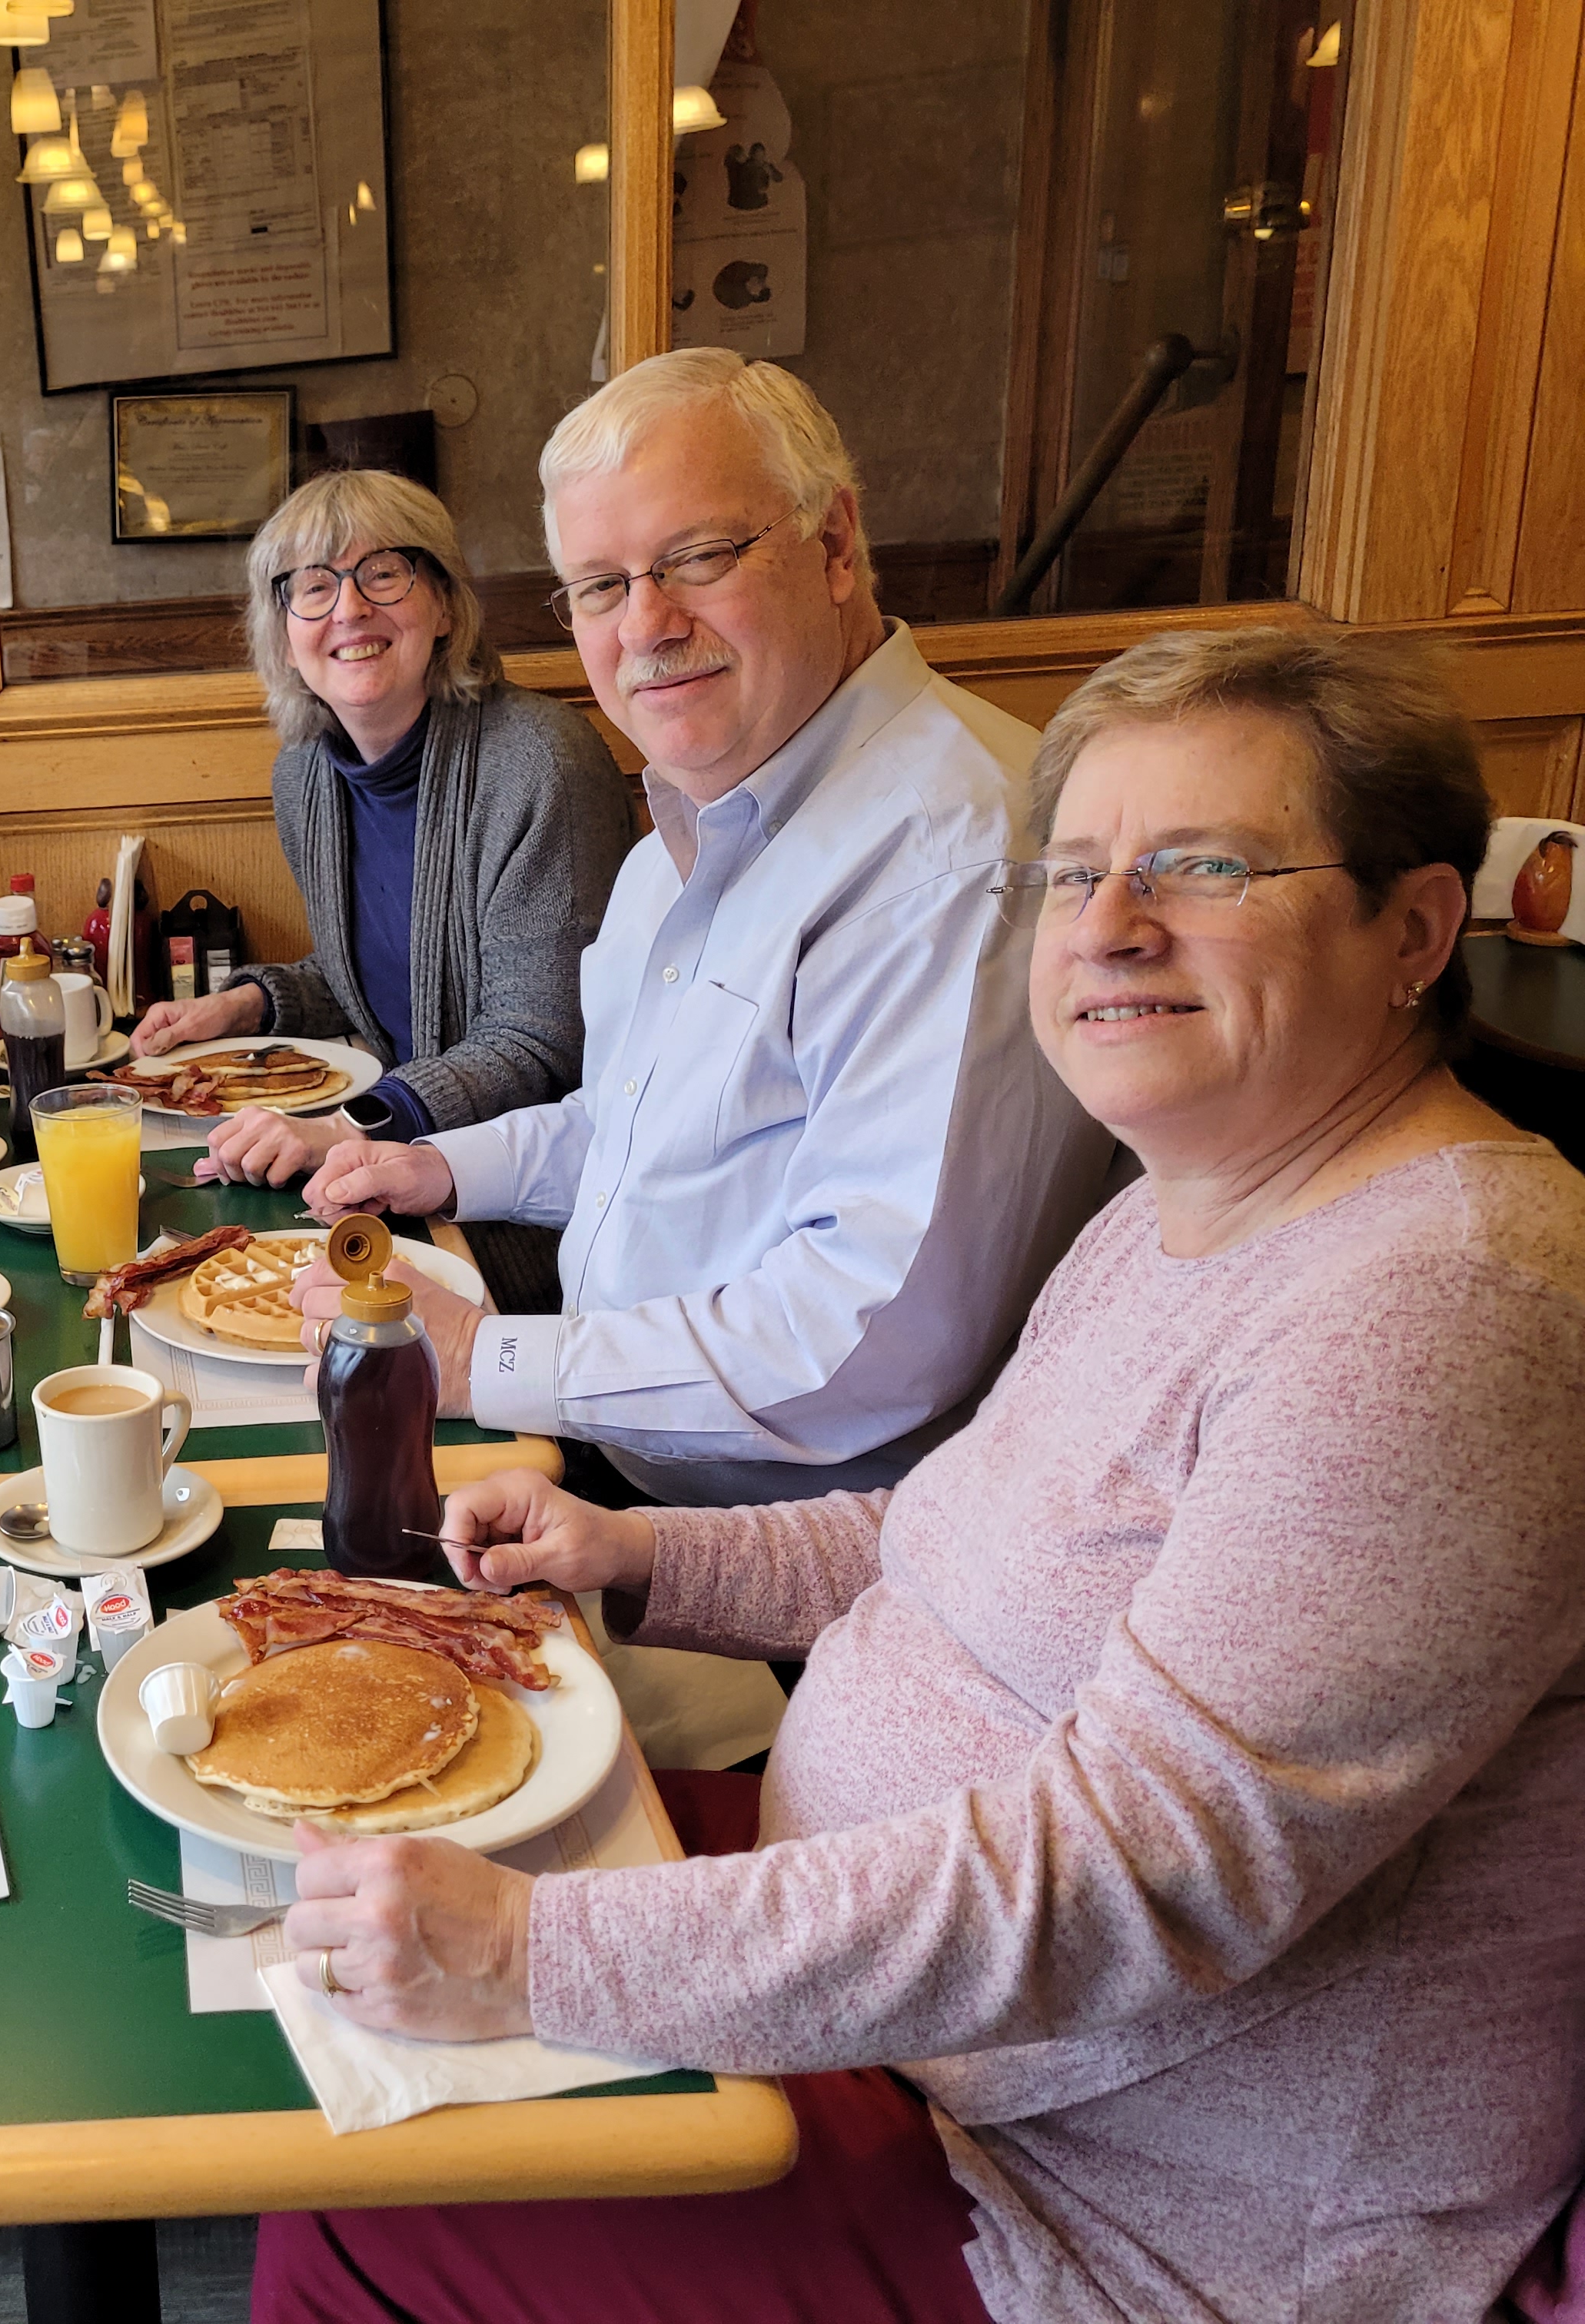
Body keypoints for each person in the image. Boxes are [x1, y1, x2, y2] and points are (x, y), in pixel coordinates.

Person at [256, 628, 1585, 2324]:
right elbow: (953, 1532)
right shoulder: (1195, 1195)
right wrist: (641, 1552)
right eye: (1080, 870)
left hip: (1105, 2208)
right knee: (324, 1845)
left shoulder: (1450, 1298)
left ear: (1413, 930)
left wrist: (537, 1959)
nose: (1107, 926)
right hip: (928, 2026)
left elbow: (1138, 1879)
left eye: (1205, 867)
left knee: (359, 2214)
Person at [295, 352, 1115, 1767]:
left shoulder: (951, 840)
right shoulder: (706, 802)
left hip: (822, 1609)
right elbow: (624, 1127)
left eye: (696, 558)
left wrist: (486, 1357)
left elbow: (870, 1339)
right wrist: (433, 1158)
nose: (647, 623)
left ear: (835, 543)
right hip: (623, 1490)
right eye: (601, 587)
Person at [128, 470, 631, 1318]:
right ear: (284, 635)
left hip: (532, 1219)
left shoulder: (538, 763)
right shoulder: (305, 776)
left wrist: (351, 1127)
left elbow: (541, 1042)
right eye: (313, 587)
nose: (350, 610)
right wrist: (246, 1005)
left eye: (384, 574)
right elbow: (387, 968)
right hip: (396, 1178)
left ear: (443, 606)